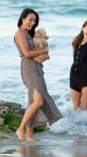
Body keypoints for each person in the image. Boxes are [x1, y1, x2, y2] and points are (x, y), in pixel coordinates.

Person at [14, 8, 62, 141]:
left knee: (33, 101)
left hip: (37, 68)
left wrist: (44, 55)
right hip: (28, 69)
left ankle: (29, 135)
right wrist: (44, 50)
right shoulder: (19, 33)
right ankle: (20, 129)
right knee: (38, 101)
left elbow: (35, 49)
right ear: (23, 18)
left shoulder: (29, 34)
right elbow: (27, 53)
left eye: (34, 21)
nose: (32, 23)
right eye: (30, 19)